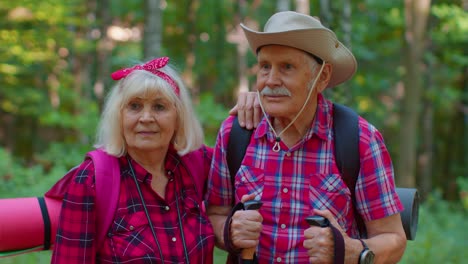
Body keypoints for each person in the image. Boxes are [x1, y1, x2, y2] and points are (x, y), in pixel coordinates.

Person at [206, 11, 407, 264]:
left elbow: (393, 239)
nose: (270, 80)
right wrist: (230, 232)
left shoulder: (360, 140)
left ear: (322, 77)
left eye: (287, 67)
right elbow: (214, 214)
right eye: (265, 67)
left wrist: (351, 251)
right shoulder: (235, 133)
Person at [48, 57, 259, 264]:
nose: (146, 118)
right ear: (118, 115)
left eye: (159, 107)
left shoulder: (196, 162)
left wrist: (262, 105)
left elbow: (262, 165)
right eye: (134, 106)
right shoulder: (92, 179)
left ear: (178, 117)